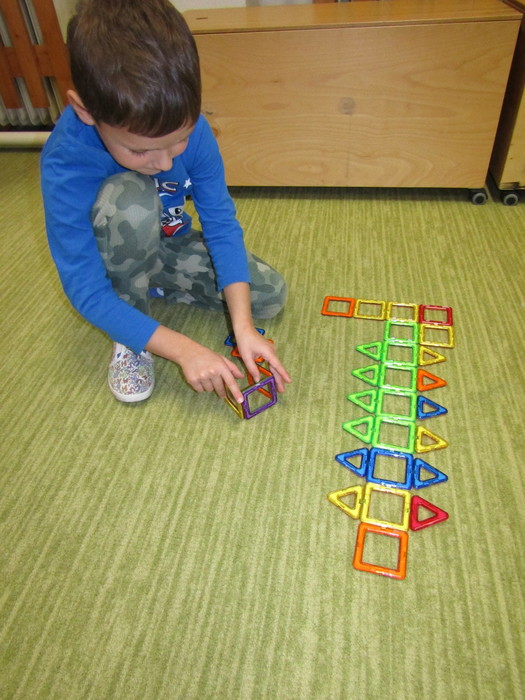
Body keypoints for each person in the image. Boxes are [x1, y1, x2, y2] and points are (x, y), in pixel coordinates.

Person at [41, 0, 290, 404]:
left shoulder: (189, 125)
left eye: (180, 140)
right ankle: (131, 334)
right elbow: (85, 290)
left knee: (268, 295)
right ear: (85, 111)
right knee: (132, 199)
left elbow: (220, 224)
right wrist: (182, 349)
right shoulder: (67, 160)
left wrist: (243, 326)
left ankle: (148, 286)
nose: (165, 163)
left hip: (166, 242)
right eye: (141, 151)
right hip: (109, 254)